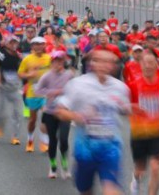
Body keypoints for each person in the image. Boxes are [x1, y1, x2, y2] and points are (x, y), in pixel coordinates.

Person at [56, 50, 131, 195]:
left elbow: (123, 109)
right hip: (85, 149)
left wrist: (128, 110)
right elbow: (60, 111)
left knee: (111, 189)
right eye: (98, 61)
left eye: (108, 62)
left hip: (111, 147)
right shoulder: (78, 84)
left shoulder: (120, 88)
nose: (103, 65)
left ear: (113, 66)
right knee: (85, 190)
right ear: (91, 64)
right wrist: (77, 116)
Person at [128, 53, 159, 195]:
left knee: (155, 167)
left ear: (156, 65)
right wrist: (132, 108)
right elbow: (126, 106)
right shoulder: (133, 85)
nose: (148, 66)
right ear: (140, 65)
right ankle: (135, 178)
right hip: (139, 132)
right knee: (140, 169)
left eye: (151, 63)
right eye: (145, 63)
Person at [34, 51, 74, 179]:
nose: (58, 63)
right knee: (53, 140)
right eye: (56, 61)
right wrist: (53, 92)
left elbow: (76, 89)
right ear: (52, 63)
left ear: (63, 62)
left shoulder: (69, 75)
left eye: (61, 61)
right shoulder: (46, 76)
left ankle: (65, 165)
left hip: (65, 112)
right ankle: (53, 166)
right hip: (51, 111)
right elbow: (37, 90)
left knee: (64, 139)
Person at [18, 36, 51, 153]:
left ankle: (44, 142)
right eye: (36, 44)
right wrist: (29, 75)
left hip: (46, 94)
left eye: (41, 44)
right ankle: (30, 140)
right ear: (32, 46)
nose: (38, 46)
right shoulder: (27, 59)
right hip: (32, 93)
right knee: (32, 120)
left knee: (47, 117)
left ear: (44, 46)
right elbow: (20, 74)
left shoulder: (49, 58)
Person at [0, 35, 24, 145]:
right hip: (2, 87)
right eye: (11, 42)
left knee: (18, 113)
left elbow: (24, 70)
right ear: (6, 43)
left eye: (15, 43)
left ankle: (15, 136)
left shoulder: (19, 56)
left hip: (15, 88)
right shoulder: (1, 53)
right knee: (0, 112)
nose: (14, 45)